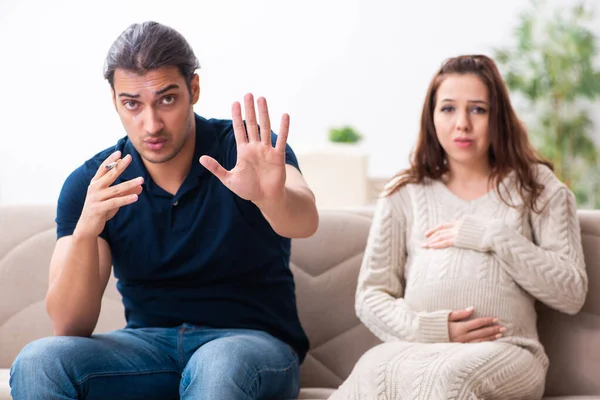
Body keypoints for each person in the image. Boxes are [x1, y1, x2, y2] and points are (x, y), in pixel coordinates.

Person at [10, 21, 319, 400]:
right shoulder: (94, 183)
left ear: (194, 89)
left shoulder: (248, 151)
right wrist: (87, 231)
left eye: (167, 99)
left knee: (219, 365)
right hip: (146, 350)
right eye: (132, 104)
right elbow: (70, 324)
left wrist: (269, 198)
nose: (151, 124)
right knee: (39, 360)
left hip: (249, 345)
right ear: (115, 100)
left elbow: (306, 222)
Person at [329, 55, 588, 399]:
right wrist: (429, 329)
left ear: (499, 117)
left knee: (450, 380)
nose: (462, 123)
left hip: (509, 351)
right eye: (448, 109)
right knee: (372, 371)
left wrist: (493, 236)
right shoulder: (403, 193)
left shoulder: (537, 187)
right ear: (432, 116)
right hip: (418, 346)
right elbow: (371, 296)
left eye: (478, 109)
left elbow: (571, 291)